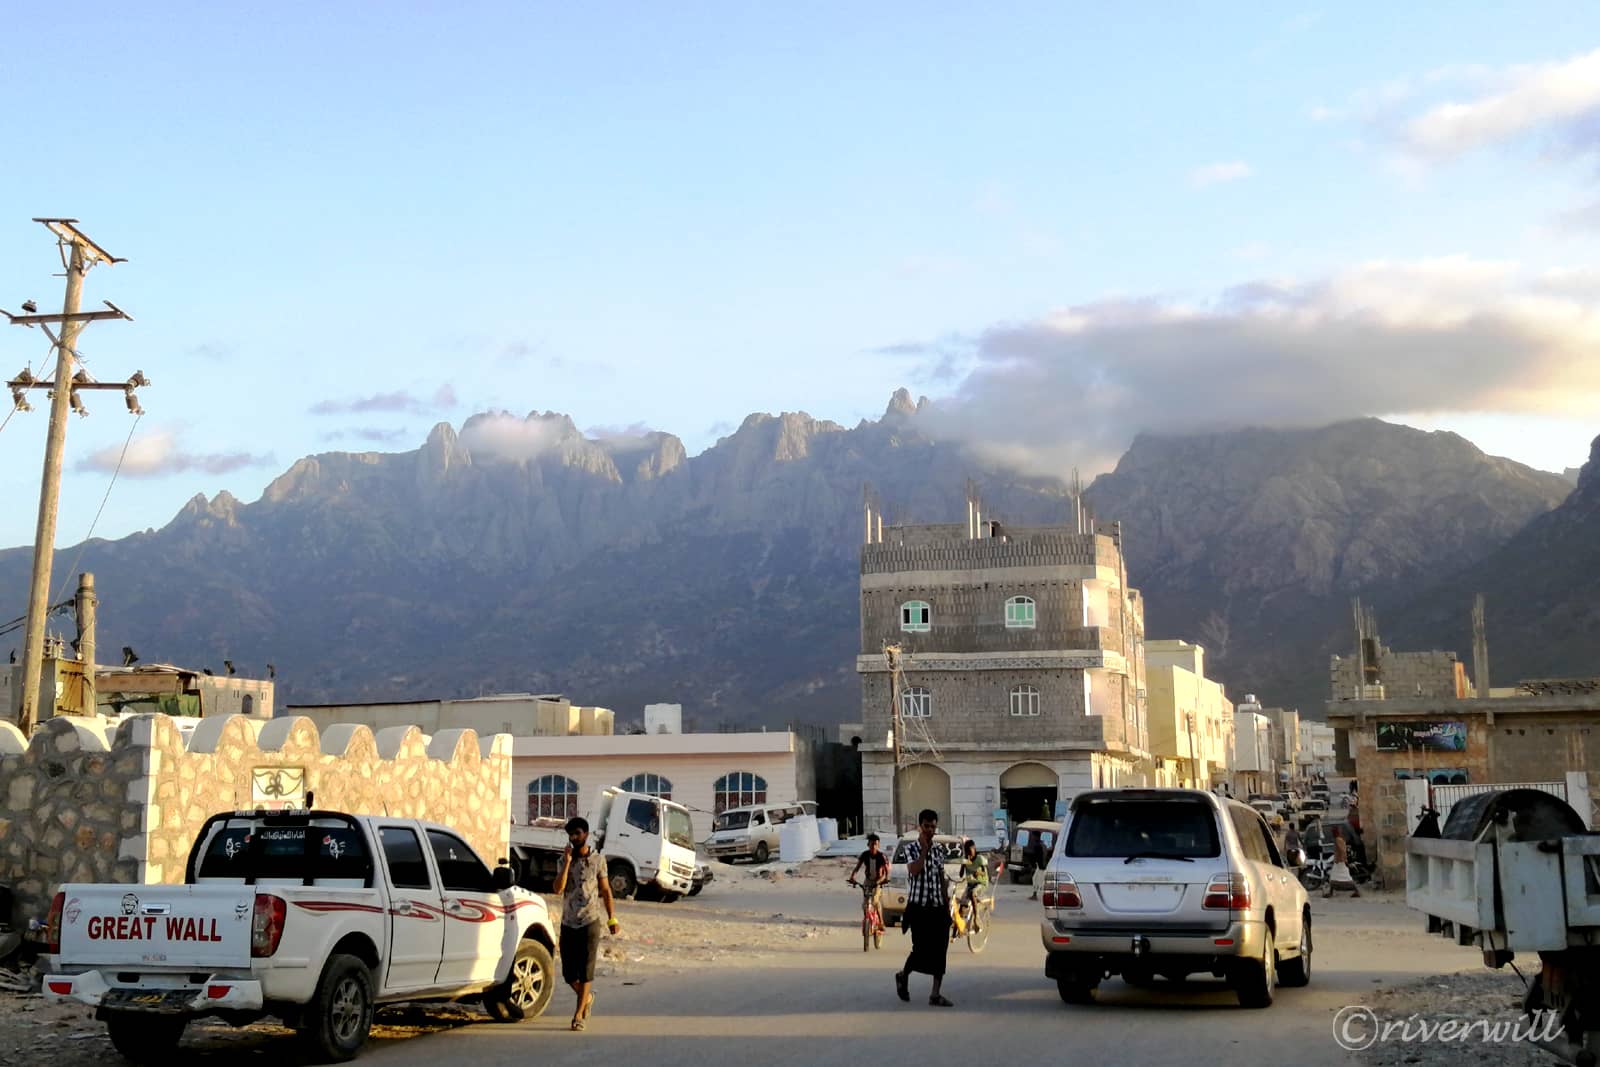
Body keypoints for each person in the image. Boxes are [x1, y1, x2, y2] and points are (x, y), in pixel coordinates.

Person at [552, 816, 619, 1032]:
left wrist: (612, 918)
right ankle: (587, 998)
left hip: (590, 922)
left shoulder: (598, 860)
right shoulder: (564, 860)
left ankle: (579, 1014)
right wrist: (568, 863)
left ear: (586, 835)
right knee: (569, 974)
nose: (574, 838)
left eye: (577, 833)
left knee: (586, 969)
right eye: (571, 834)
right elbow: (558, 889)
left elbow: (606, 890)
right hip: (568, 922)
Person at [894, 809, 954, 1008]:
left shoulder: (939, 850)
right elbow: (914, 870)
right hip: (919, 907)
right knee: (920, 949)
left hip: (937, 906)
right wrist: (923, 851)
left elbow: (941, 878)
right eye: (927, 826)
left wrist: (947, 906)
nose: (930, 830)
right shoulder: (911, 848)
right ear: (920, 827)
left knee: (940, 949)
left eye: (933, 826)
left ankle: (935, 994)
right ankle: (903, 975)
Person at [848, 833, 890, 944]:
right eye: (871, 844)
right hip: (868, 881)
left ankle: (881, 922)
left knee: (875, 901)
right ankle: (868, 920)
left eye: (875, 844)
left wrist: (884, 880)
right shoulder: (864, 855)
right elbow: (857, 867)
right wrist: (852, 877)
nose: (873, 847)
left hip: (878, 880)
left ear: (878, 845)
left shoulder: (882, 856)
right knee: (865, 903)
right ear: (868, 845)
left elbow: (886, 872)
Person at [956, 839, 989, 931]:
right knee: (962, 904)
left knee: (973, 893)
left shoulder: (979, 859)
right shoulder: (966, 859)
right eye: (966, 851)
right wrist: (964, 863)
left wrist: (977, 873)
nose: (969, 853)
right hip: (970, 884)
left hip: (981, 883)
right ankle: (957, 930)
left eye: (970, 851)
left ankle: (976, 919)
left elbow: (984, 872)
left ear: (974, 849)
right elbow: (960, 874)